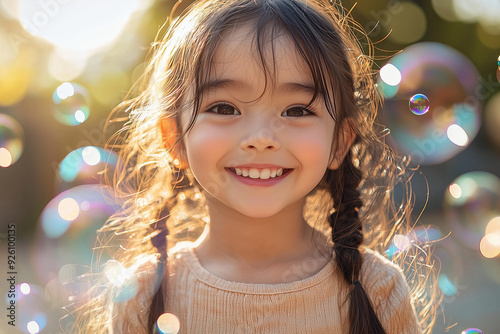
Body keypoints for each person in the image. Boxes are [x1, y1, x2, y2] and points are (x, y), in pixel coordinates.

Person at [74, 0, 440, 333]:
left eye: (297, 110)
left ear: (340, 143)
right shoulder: (142, 294)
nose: (261, 137)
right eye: (224, 108)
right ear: (175, 139)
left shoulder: (377, 290)